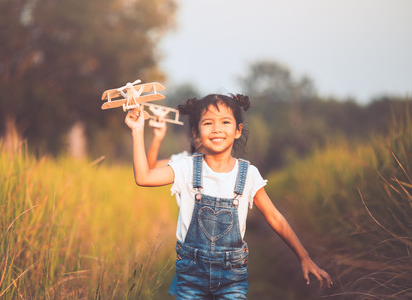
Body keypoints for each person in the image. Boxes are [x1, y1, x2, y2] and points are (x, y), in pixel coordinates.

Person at [125, 94, 332, 299]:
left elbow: (275, 217)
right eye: (208, 123)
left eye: (225, 122)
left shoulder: (248, 174)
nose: (217, 129)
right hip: (190, 275)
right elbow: (143, 177)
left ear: (238, 130)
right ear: (196, 132)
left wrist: (304, 257)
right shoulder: (185, 168)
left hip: (232, 276)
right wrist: (137, 131)